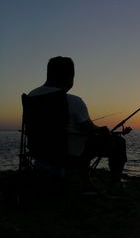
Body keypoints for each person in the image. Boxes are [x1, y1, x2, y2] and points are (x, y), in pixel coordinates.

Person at [28, 56, 131, 193]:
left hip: (39, 150)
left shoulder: (31, 96)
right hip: (67, 154)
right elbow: (89, 129)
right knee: (118, 143)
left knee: (83, 140)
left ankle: (85, 180)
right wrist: (103, 130)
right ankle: (115, 184)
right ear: (69, 77)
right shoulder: (72, 101)